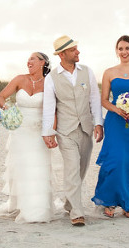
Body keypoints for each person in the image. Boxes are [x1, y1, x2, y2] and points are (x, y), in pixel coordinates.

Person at [41, 35, 104, 227]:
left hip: (85, 128)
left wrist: (98, 123)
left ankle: (70, 202)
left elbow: (94, 98)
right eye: (73, 50)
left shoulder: (87, 71)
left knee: (81, 169)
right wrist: (48, 132)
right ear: (62, 54)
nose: (78, 52)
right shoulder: (52, 78)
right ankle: (77, 212)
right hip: (65, 131)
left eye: (76, 48)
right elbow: (49, 107)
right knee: (72, 169)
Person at [91, 35, 129, 218]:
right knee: (114, 160)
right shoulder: (109, 72)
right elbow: (104, 100)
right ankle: (109, 202)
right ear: (116, 51)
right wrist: (117, 110)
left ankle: (127, 205)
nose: (124, 52)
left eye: (127, 48)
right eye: (120, 49)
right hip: (115, 121)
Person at [0, 52, 55, 223]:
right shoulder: (20, 79)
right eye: (28, 59)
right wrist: (8, 109)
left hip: (39, 132)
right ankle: (21, 204)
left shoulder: (50, 82)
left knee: (38, 168)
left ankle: (38, 208)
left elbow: (54, 109)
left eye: (33, 59)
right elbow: (0, 97)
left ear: (43, 62)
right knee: (22, 167)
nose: (29, 61)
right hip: (20, 131)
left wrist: (51, 131)